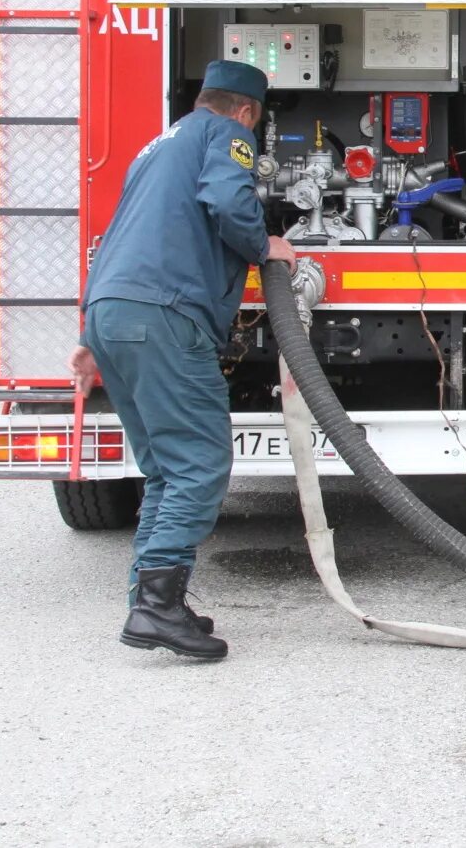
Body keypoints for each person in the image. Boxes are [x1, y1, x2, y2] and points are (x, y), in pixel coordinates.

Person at [67, 61, 294, 661]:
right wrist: (262, 243)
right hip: (164, 315)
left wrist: (92, 331)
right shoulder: (228, 134)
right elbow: (225, 199)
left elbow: (124, 231)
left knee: (166, 471)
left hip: (112, 313)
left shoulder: (156, 146)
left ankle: (154, 600)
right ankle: (156, 607)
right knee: (199, 464)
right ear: (246, 110)